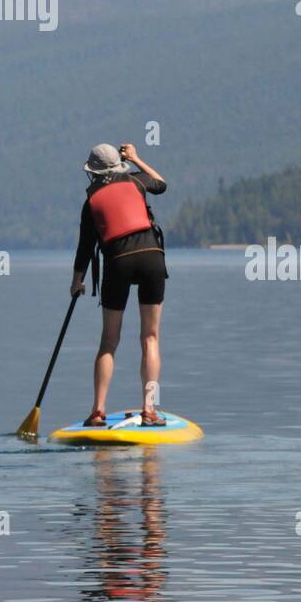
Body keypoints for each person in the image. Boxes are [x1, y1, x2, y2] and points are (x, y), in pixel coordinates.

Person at [71, 142, 168, 427]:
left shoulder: (90, 202)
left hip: (118, 262)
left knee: (109, 341)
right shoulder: (137, 181)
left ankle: (98, 411)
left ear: (93, 173)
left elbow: (85, 247)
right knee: (150, 337)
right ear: (119, 166)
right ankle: (149, 410)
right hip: (152, 257)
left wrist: (77, 282)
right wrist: (137, 158)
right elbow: (161, 184)